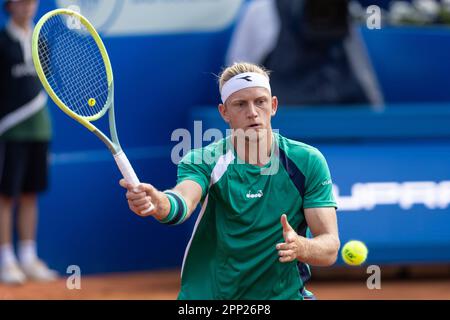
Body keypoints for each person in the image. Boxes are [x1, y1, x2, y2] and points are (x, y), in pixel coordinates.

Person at [120, 62, 340, 300]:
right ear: (224, 112)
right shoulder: (204, 160)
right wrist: (159, 203)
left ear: (273, 105)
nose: (253, 112)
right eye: (240, 104)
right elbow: (182, 201)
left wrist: (301, 246)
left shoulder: (307, 161)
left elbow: (329, 248)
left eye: (260, 102)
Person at [226, 0, 383, 107]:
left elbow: (362, 73)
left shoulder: (343, 8)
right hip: (281, 127)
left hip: (343, 122)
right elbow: (238, 74)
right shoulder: (263, 11)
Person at [0, 0, 57, 284]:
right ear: (9, 7)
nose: (26, 6)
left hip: (39, 130)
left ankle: (28, 256)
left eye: (31, 1)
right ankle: (6, 260)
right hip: (9, 131)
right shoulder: (1, 42)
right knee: (6, 195)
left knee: (30, 193)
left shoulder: (41, 41)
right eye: (20, 2)